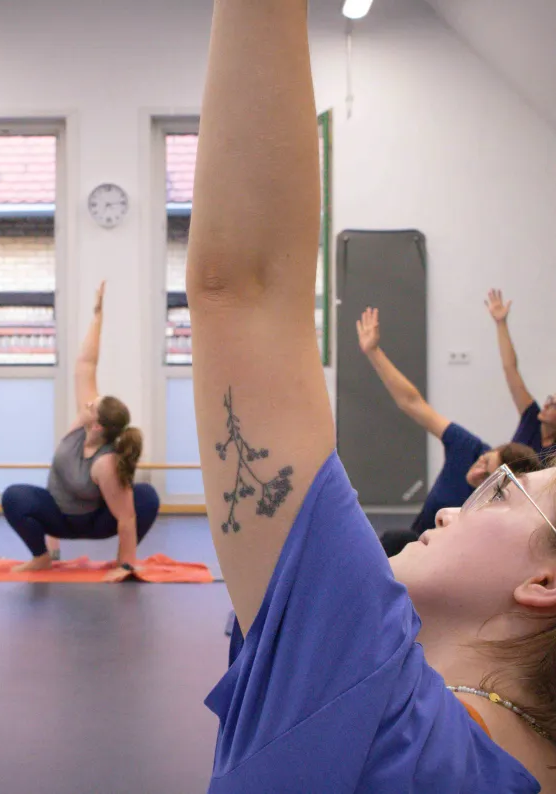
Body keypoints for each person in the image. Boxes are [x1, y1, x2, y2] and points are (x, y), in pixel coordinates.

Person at [188, 2, 555, 790]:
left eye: (502, 493)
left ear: (546, 586)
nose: (456, 503)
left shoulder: (368, 702)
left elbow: (240, 287)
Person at [1, 282, 160, 577]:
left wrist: (125, 567)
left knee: (146, 497)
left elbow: (126, 517)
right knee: (14, 496)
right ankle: (41, 557)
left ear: (98, 425)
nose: (86, 405)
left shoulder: (106, 462)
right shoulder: (81, 426)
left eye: (91, 407)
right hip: (58, 516)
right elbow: (85, 365)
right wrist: (97, 317)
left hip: (95, 523)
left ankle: (121, 559)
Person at [357, 306, 541, 536]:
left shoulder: (503, 513)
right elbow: (412, 403)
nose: (477, 473)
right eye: (484, 462)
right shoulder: (467, 448)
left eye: (486, 477)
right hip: (415, 546)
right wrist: (373, 351)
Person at [486, 289, 556, 459]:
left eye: (554, 405)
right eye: (549, 400)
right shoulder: (532, 417)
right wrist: (501, 323)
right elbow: (510, 369)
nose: (546, 405)